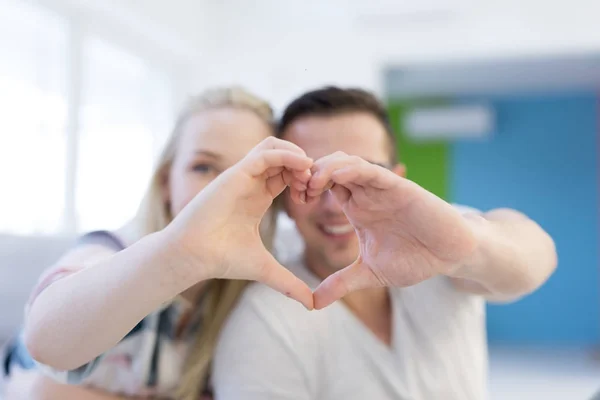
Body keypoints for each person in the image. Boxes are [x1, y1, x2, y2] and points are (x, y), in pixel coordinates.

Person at [212, 86, 558, 400]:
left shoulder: (439, 235)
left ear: (397, 179)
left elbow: (538, 257)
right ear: (284, 197)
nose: (336, 204)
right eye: (310, 180)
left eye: (360, 173)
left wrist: (468, 250)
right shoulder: (264, 319)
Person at [0, 86, 316, 400]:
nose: (225, 189)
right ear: (167, 182)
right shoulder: (113, 250)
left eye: (253, 172)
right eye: (203, 167)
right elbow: (41, 358)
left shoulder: (268, 284)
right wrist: (179, 254)